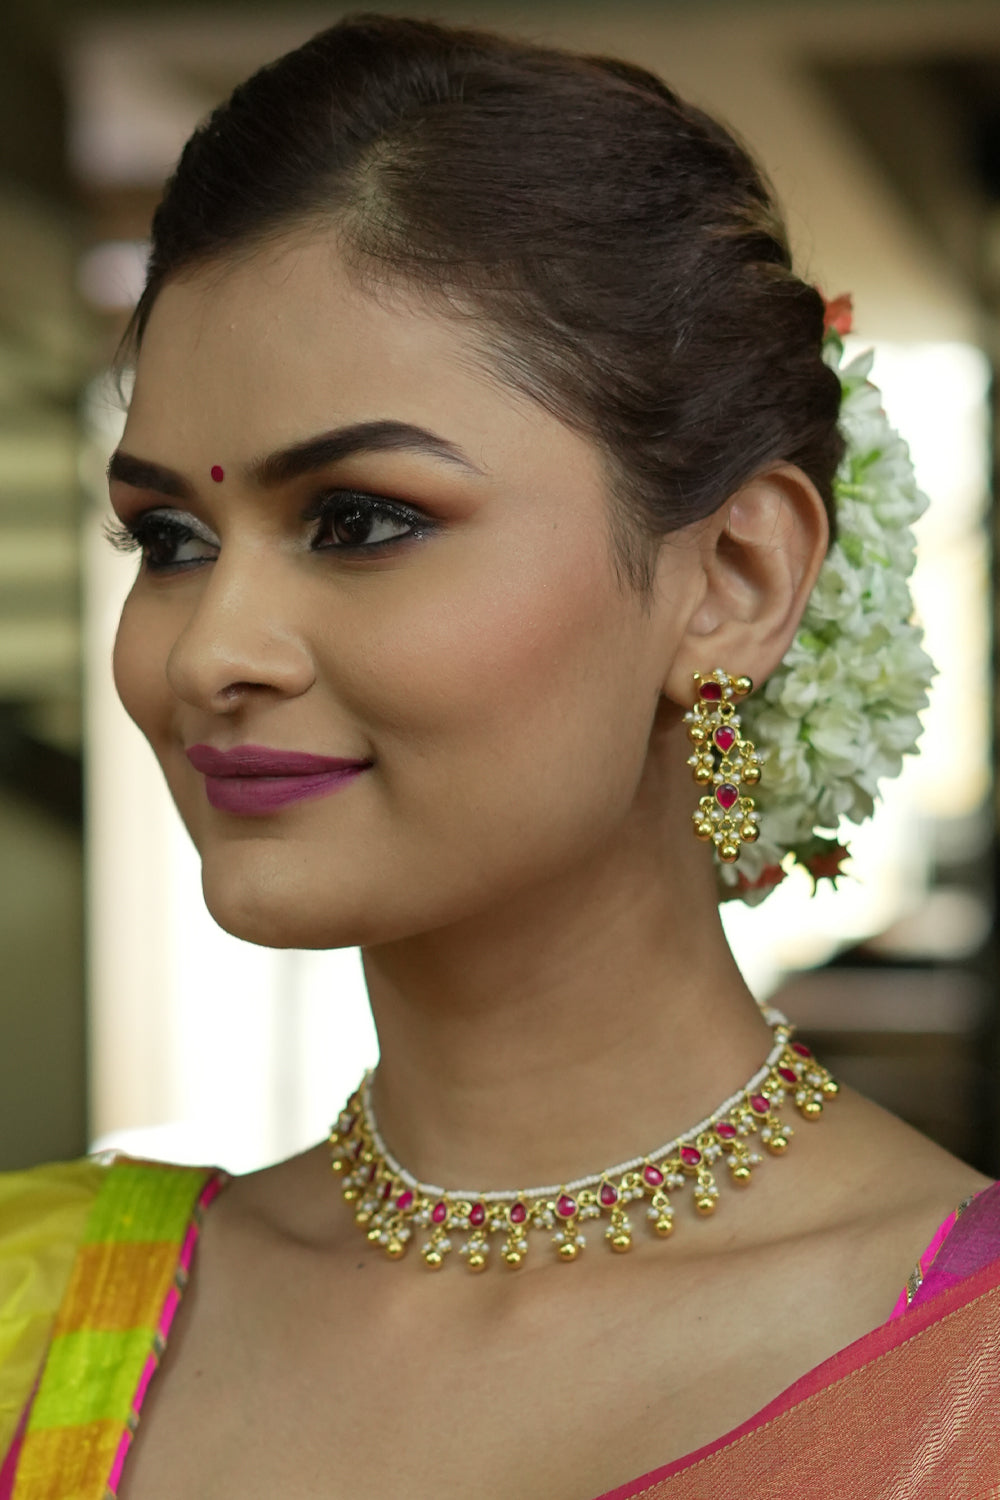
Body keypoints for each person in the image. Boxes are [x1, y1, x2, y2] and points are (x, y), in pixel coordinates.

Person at [1, 14, 998, 1499]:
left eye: (359, 519)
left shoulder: (966, 1377)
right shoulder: (45, 1316)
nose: (209, 653)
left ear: (732, 578)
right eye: (169, 540)